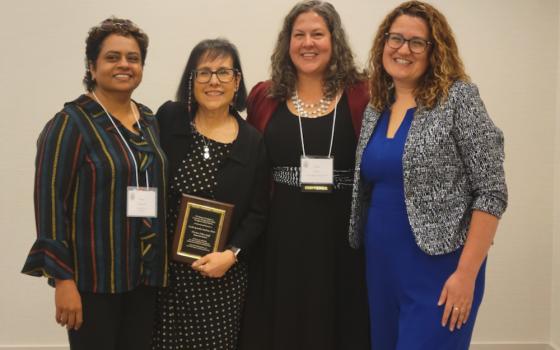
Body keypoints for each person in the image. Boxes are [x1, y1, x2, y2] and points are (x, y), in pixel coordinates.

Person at [349, 1, 508, 349]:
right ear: (383, 43)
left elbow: (492, 192)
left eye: (417, 42)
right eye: (396, 39)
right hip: (381, 267)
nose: (403, 49)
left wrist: (465, 276)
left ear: (435, 50)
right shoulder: (376, 106)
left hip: (440, 271)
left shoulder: (458, 99)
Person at [21, 18, 167, 350]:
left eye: (133, 58)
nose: (124, 65)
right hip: (93, 281)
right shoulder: (70, 123)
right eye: (112, 57)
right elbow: (50, 203)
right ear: (92, 64)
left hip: (143, 277)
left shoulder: (149, 121)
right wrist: (63, 280)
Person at [240, 1, 370, 349]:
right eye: (299, 35)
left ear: (334, 40)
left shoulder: (363, 94)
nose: (308, 43)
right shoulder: (264, 96)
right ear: (288, 42)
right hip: (280, 235)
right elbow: (249, 164)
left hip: (341, 235)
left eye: (317, 34)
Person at [151, 38, 268, 350]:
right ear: (192, 80)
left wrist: (231, 255)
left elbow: (258, 213)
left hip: (220, 279)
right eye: (203, 72)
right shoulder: (169, 119)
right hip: (163, 279)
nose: (213, 81)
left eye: (223, 73)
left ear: (237, 81)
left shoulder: (252, 142)